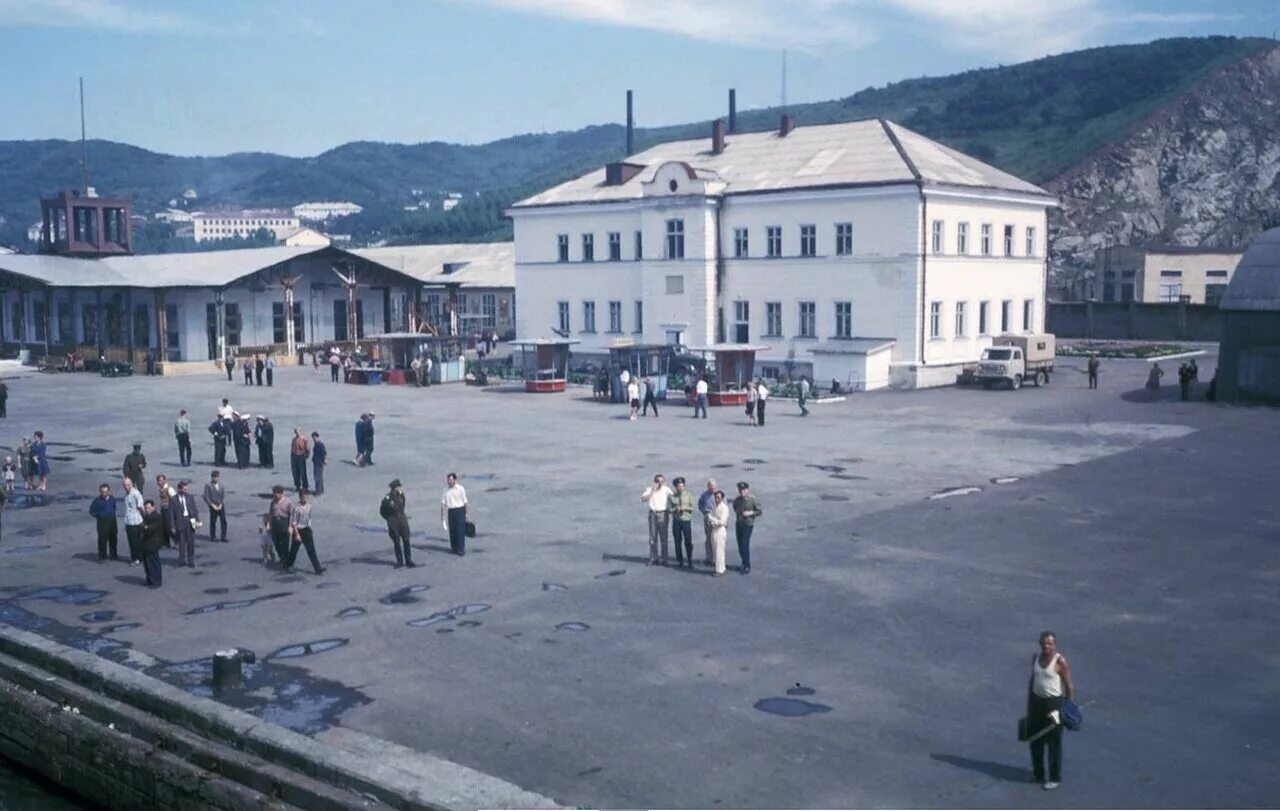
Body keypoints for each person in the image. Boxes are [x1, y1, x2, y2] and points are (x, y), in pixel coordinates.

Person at [1027, 631, 1075, 790]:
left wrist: (1066, 708)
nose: (1046, 646)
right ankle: (1038, 773)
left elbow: (1068, 685)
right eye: (1043, 642)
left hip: (1053, 704)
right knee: (1035, 739)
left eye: (1049, 643)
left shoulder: (1060, 661)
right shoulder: (1035, 657)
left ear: (1054, 645)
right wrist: (1030, 703)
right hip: (1036, 703)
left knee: (1054, 742)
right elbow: (1033, 679)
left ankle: (1054, 777)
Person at [285, 489, 325, 575]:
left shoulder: (309, 506)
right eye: (303, 497)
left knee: (311, 550)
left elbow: (309, 517)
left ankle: (317, 569)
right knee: (294, 550)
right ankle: (288, 565)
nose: (305, 498)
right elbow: (294, 522)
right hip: (298, 530)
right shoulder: (297, 508)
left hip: (306, 529)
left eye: (306, 496)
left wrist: (309, 527)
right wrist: (297, 534)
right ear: (300, 497)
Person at [380, 479, 415, 568]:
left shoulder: (401, 494)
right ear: (394, 488)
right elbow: (382, 511)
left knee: (406, 540)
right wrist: (389, 518)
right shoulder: (387, 498)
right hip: (393, 522)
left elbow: (403, 505)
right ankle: (399, 561)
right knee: (396, 541)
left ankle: (408, 560)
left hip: (402, 520)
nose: (400, 487)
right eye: (398, 486)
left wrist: (402, 514)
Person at [731, 481, 763, 575]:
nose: (742, 492)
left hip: (748, 524)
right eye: (740, 490)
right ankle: (743, 561)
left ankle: (747, 565)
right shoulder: (737, 500)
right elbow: (735, 507)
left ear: (747, 490)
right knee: (740, 545)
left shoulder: (753, 500)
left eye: (744, 490)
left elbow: (760, 511)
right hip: (739, 523)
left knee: (745, 545)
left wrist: (751, 513)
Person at [641, 474, 673, 565]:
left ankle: (664, 558)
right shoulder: (650, 489)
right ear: (654, 482)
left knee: (664, 537)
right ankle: (653, 558)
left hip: (663, 514)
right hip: (653, 514)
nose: (660, 483)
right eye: (658, 481)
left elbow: (673, 498)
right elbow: (643, 499)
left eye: (662, 481)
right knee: (652, 537)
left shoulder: (666, 489)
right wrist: (652, 491)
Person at [168, 479, 200, 568]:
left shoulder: (190, 497)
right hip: (180, 522)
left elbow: (194, 509)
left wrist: (197, 520)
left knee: (191, 543)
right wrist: (172, 526)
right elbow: (171, 513)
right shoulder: (173, 499)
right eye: (184, 489)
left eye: (186, 489)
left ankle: (191, 560)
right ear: (179, 489)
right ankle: (181, 560)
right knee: (182, 543)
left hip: (190, 521)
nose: (186, 491)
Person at [667, 477, 696, 569]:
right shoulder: (672, 497)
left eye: (682, 486)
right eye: (679, 486)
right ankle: (680, 560)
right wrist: (675, 509)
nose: (681, 488)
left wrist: (685, 508)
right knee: (677, 542)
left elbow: (693, 507)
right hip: (677, 521)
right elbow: (669, 509)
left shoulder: (688, 495)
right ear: (675, 487)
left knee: (688, 541)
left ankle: (690, 559)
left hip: (686, 520)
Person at [262, 485, 294, 566]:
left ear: (281, 493)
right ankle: (282, 558)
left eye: (276, 493)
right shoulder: (273, 502)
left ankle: (286, 562)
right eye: (274, 494)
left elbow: (292, 515)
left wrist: (290, 526)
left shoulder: (288, 502)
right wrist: (269, 524)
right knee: (276, 543)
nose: (275, 495)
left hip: (284, 522)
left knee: (285, 544)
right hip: (275, 524)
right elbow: (270, 514)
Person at [88, 483, 119, 562]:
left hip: (112, 520)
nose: (104, 493)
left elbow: (114, 507)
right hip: (102, 522)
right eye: (102, 492)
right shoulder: (97, 501)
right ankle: (102, 557)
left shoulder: (112, 499)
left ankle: (113, 555)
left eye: (105, 492)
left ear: (109, 491)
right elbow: (92, 511)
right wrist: (99, 515)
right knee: (102, 540)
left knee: (113, 538)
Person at [441, 473, 469, 556]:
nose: (449, 481)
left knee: (460, 530)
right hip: (451, 511)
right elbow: (443, 502)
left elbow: (465, 501)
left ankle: (461, 549)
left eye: (450, 480)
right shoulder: (445, 490)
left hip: (460, 510)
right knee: (452, 530)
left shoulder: (460, 488)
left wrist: (466, 513)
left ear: (455, 480)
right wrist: (442, 515)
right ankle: (454, 547)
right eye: (448, 480)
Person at [139, 500, 164, 588]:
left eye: (149, 508)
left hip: (153, 543)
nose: (147, 510)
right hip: (147, 543)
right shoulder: (147, 516)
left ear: (153, 507)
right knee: (147, 563)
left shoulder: (156, 516)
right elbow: (143, 526)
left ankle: (156, 581)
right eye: (146, 508)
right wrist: (144, 527)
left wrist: (145, 527)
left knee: (153, 563)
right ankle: (149, 579)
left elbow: (151, 528)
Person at [707, 490, 730, 576]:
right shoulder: (715, 507)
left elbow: (723, 521)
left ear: (722, 498)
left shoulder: (724, 508)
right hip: (715, 529)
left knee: (719, 551)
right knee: (716, 549)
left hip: (720, 530)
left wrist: (712, 519)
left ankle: (719, 570)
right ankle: (721, 567)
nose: (717, 499)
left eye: (719, 498)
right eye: (716, 497)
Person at [122, 477, 144, 566]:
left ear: (131, 484)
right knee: (131, 541)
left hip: (136, 521)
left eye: (128, 485)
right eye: (124, 485)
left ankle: (137, 558)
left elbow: (141, 507)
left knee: (135, 541)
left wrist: (145, 518)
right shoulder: (127, 494)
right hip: (129, 521)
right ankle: (135, 556)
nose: (126, 487)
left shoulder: (135, 493)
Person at [698, 478, 718, 567]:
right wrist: (704, 512)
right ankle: (709, 558)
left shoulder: (720, 495)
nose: (712, 489)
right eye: (711, 487)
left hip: (717, 518)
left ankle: (717, 559)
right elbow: (700, 504)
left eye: (714, 487)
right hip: (708, 517)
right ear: (708, 487)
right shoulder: (704, 495)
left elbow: (724, 506)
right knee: (709, 539)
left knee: (717, 539)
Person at [203, 470, 227, 543]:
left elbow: (223, 495)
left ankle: (224, 536)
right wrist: (211, 505)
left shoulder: (221, 485)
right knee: (213, 521)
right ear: (212, 478)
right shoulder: (208, 485)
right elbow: (206, 496)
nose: (216, 479)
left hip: (220, 505)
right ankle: (213, 536)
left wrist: (221, 504)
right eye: (215, 477)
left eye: (217, 477)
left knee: (223, 521)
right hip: (213, 505)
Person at [155, 474, 176, 550]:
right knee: (163, 526)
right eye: (158, 481)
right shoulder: (161, 489)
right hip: (163, 509)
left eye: (160, 480)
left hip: (168, 509)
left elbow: (174, 499)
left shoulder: (169, 489)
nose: (159, 482)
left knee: (168, 526)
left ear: (165, 480)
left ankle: (176, 539)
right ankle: (165, 543)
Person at [289, 428, 310, 492]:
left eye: (297, 432)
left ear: (301, 432)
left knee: (302, 472)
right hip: (294, 456)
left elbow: (308, 449)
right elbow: (292, 447)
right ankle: (297, 485)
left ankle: (305, 486)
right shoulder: (294, 439)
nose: (296, 433)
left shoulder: (304, 439)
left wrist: (306, 456)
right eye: (295, 432)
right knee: (295, 472)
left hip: (301, 457)